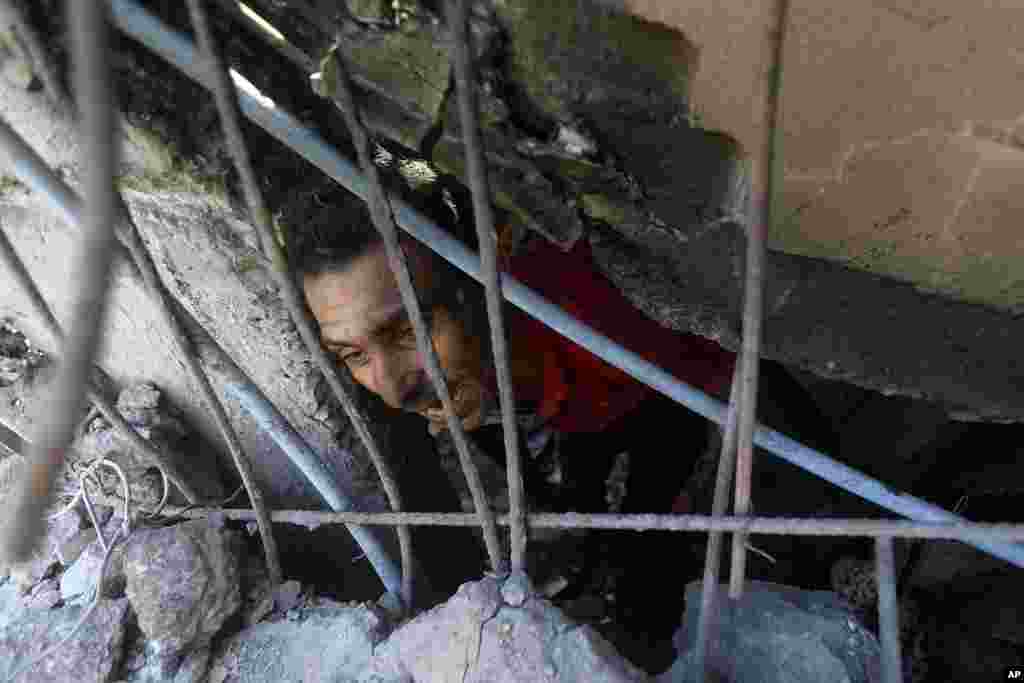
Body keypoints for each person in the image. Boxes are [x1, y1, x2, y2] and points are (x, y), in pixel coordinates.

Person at [281, 176, 837, 668]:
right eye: (351, 355)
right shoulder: (452, 377)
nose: (392, 386)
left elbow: (748, 384)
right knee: (581, 494)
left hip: (649, 409)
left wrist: (831, 532)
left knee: (653, 503)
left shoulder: (597, 319)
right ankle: (607, 548)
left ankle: (645, 574)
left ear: (476, 273)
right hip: (562, 416)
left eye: (408, 331)